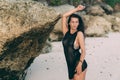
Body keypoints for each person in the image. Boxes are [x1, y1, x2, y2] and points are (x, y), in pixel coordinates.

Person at [62, 5, 88, 80]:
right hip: (70, 65)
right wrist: (77, 9)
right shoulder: (66, 32)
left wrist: (80, 64)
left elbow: (83, 51)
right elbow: (64, 16)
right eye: (72, 22)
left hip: (78, 63)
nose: (74, 24)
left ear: (79, 23)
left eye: (76, 22)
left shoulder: (79, 34)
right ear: (69, 23)